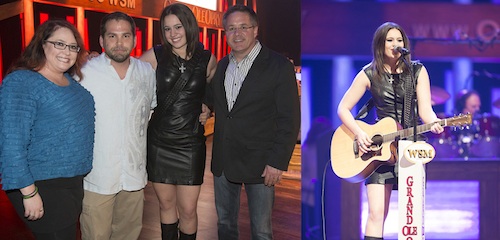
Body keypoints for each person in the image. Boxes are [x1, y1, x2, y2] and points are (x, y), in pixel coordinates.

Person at [336, 22, 444, 240]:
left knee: (410, 214)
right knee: (376, 213)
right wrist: (359, 132)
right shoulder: (368, 74)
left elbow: (426, 110)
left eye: (399, 40)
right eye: (390, 40)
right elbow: (343, 108)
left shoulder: (418, 71)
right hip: (380, 149)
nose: (396, 44)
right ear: (380, 44)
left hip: (411, 148)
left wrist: (434, 122)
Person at [207, 5, 300, 240]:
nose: (237, 34)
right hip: (224, 162)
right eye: (231, 29)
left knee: (261, 231)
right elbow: (216, 102)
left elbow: (289, 119)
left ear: (255, 29)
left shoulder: (278, 66)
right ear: (225, 32)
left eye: (243, 27)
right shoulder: (222, 66)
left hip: (261, 165)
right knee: (225, 225)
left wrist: (277, 162)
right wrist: (203, 107)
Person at [0, 19, 94, 239]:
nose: (67, 51)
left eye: (73, 46)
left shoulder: (72, 84)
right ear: (42, 44)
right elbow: (11, 142)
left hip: (72, 181)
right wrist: (28, 191)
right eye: (59, 44)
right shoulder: (22, 81)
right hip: (40, 183)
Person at [139, 3, 216, 240]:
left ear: (189, 26)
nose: (173, 33)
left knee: (189, 209)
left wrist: (208, 108)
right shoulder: (154, 55)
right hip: (160, 142)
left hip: (191, 143)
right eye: (168, 28)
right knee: (165, 206)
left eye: (178, 27)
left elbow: (211, 92)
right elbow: (132, 84)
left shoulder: (207, 59)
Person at [78, 12, 156, 240]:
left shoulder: (146, 72)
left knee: (128, 235)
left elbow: (149, 111)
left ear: (134, 39)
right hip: (97, 176)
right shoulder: (84, 72)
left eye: (125, 36)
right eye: (112, 36)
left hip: (134, 176)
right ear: (101, 41)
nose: (119, 43)